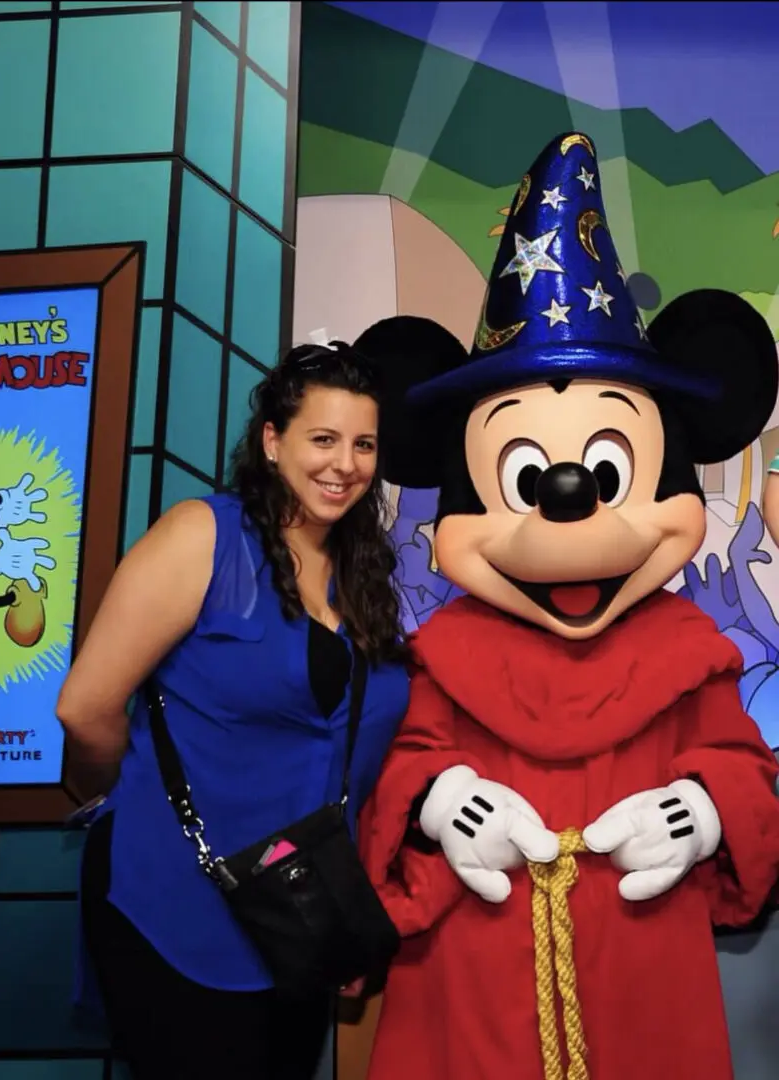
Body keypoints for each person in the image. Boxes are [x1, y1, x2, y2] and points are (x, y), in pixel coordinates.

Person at [352, 131, 779, 1080]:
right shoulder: (448, 649)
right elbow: (406, 768)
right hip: (476, 954)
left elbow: (740, 768)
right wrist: (447, 803)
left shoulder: (686, 646)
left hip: (640, 963)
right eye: (523, 475)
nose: (569, 505)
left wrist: (699, 811)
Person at [56, 341, 411, 1080]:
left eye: (363, 444)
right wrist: (125, 798)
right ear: (273, 441)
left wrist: (343, 920)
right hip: (176, 898)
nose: (344, 463)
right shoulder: (203, 537)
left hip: (299, 910)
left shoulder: (365, 571)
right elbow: (85, 708)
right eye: (323, 438)